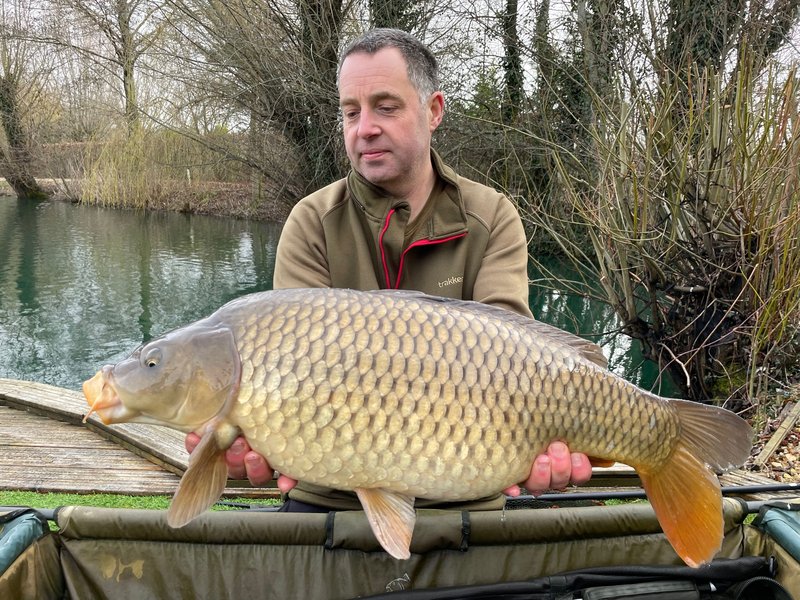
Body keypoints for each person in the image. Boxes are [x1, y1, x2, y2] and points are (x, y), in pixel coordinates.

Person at [186, 28, 592, 511]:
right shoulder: (312, 221)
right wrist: (248, 440)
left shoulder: (492, 216)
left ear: (434, 110)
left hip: (464, 497)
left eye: (386, 106)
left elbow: (510, 363)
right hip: (329, 499)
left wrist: (549, 446)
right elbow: (287, 381)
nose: (365, 128)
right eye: (351, 112)